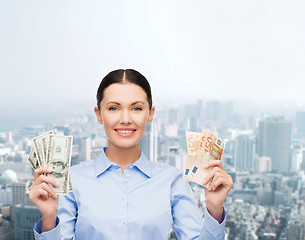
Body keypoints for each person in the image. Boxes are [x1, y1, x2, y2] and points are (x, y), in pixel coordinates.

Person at [29, 69, 233, 240]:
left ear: (150, 114)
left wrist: (214, 208)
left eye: (136, 108)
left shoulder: (171, 180)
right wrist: (49, 218)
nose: (125, 119)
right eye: (113, 108)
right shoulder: (71, 180)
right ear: (99, 114)